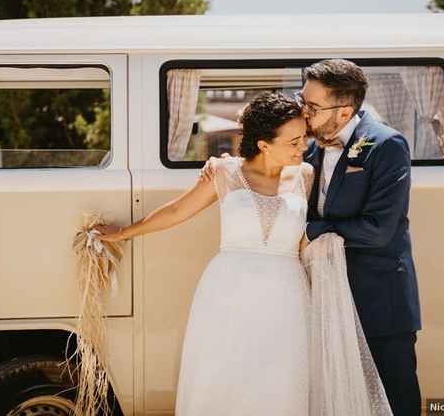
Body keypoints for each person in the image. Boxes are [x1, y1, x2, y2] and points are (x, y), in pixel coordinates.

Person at [97, 92, 313, 415]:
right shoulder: (225, 173)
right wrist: (122, 234)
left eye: (304, 138)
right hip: (229, 294)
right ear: (264, 144)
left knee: (280, 380)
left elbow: (306, 241)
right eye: (294, 141)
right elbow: (176, 212)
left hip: (287, 296)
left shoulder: (305, 176)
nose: (303, 147)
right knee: (226, 377)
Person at [299, 59, 423, 416]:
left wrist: (309, 232)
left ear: (344, 111)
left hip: (378, 300)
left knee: (395, 399)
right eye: (302, 101)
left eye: (312, 106)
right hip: (326, 297)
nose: (304, 113)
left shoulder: (386, 145)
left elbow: (378, 229)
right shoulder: (310, 148)